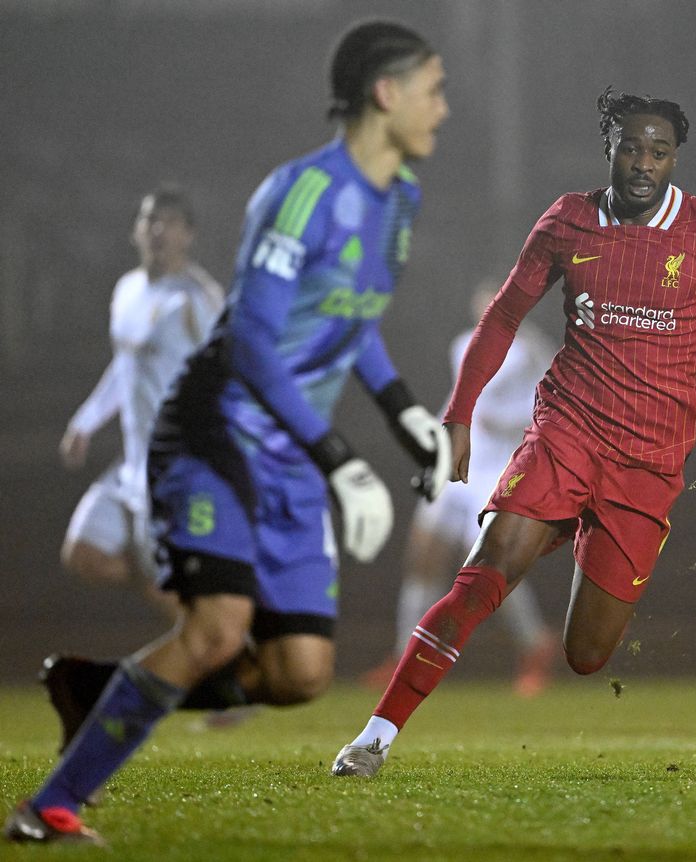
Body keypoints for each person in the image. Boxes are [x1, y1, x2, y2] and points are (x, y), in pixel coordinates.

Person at [330, 87, 696, 778]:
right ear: (609, 149)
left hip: (648, 461)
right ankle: (373, 739)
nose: (644, 162)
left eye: (660, 151)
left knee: (586, 656)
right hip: (567, 432)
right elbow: (501, 318)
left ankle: (563, 524)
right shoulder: (569, 221)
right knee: (484, 573)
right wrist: (458, 416)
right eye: (631, 148)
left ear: (674, 159)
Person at [5, 20, 451, 845]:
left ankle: (98, 690)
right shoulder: (301, 193)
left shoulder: (402, 203)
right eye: (433, 88)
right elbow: (250, 339)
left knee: (299, 674)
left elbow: (351, 319)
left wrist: (402, 411)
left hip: (289, 451)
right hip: (215, 431)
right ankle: (48, 809)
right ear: (385, 95)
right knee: (213, 631)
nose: (444, 108)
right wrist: (338, 456)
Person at [360, 281, 559, 696]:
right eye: (483, 297)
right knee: (423, 557)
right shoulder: (464, 343)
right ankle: (403, 654)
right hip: (456, 467)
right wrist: (432, 447)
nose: (488, 304)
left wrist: (508, 427)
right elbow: (458, 399)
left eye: (498, 296)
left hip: (497, 471)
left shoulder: (530, 350)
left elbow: (552, 404)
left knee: (490, 568)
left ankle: (534, 646)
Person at [60, 185, 223, 618]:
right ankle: (208, 645)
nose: (158, 230)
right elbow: (125, 365)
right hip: (130, 464)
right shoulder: (127, 289)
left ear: (188, 234)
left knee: (164, 588)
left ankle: (216, 663)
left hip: (173, 466)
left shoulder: (196, 300)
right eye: (150, 220)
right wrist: (85, 422)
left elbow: (231, 371)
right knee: (83, 553)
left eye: (169, 222)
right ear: (136, 231)